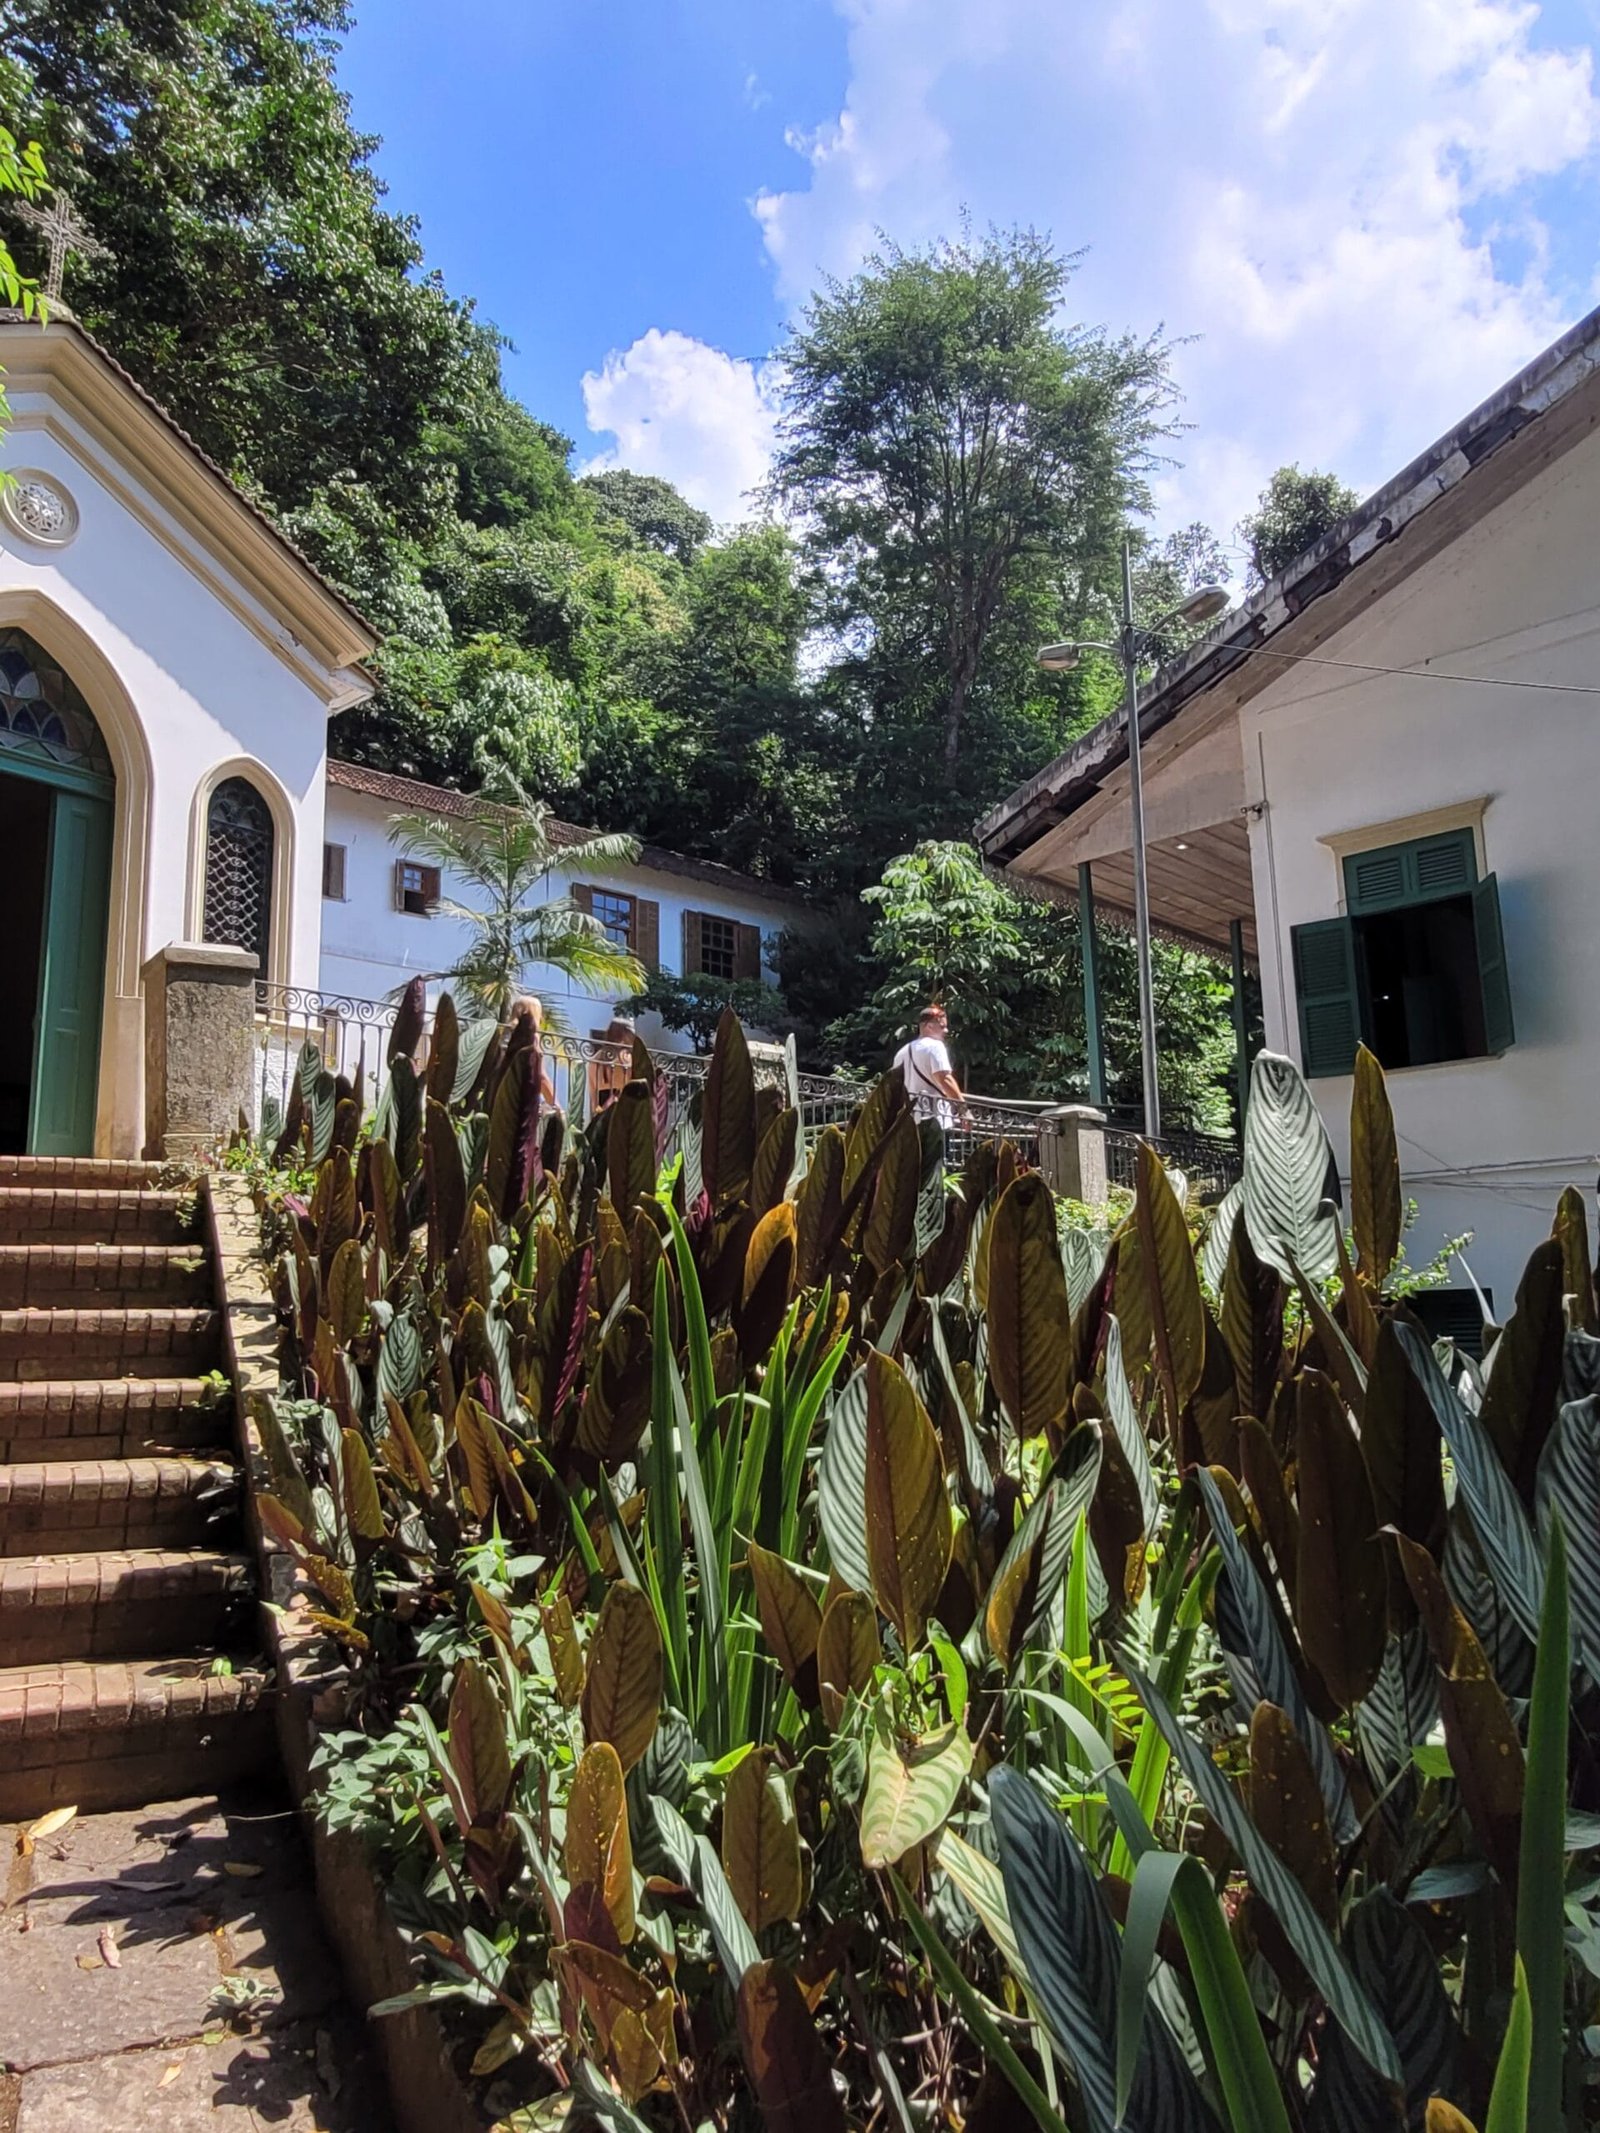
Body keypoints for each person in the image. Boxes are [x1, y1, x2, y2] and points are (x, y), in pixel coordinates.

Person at [893, 1004, 966, 1128]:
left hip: (908, 1121)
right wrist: (963, 1110)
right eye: (942, 1027)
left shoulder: (902, 1052)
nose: (946, 1031)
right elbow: (944, 1078)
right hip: (934, 1119)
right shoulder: (935, 1046)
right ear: (929, 1026)